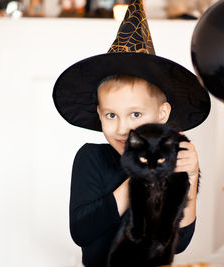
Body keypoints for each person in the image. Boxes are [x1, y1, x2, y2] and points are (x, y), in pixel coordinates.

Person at [52, 1, 211, 266]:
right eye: (111, 115)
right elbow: (82, 231)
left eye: (135, 115)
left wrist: (190, 177)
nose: (122, 128)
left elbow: (180, 241)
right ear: (99, 114)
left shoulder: (169, 163)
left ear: (161, 115)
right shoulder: (91, 158)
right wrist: (138, 180)